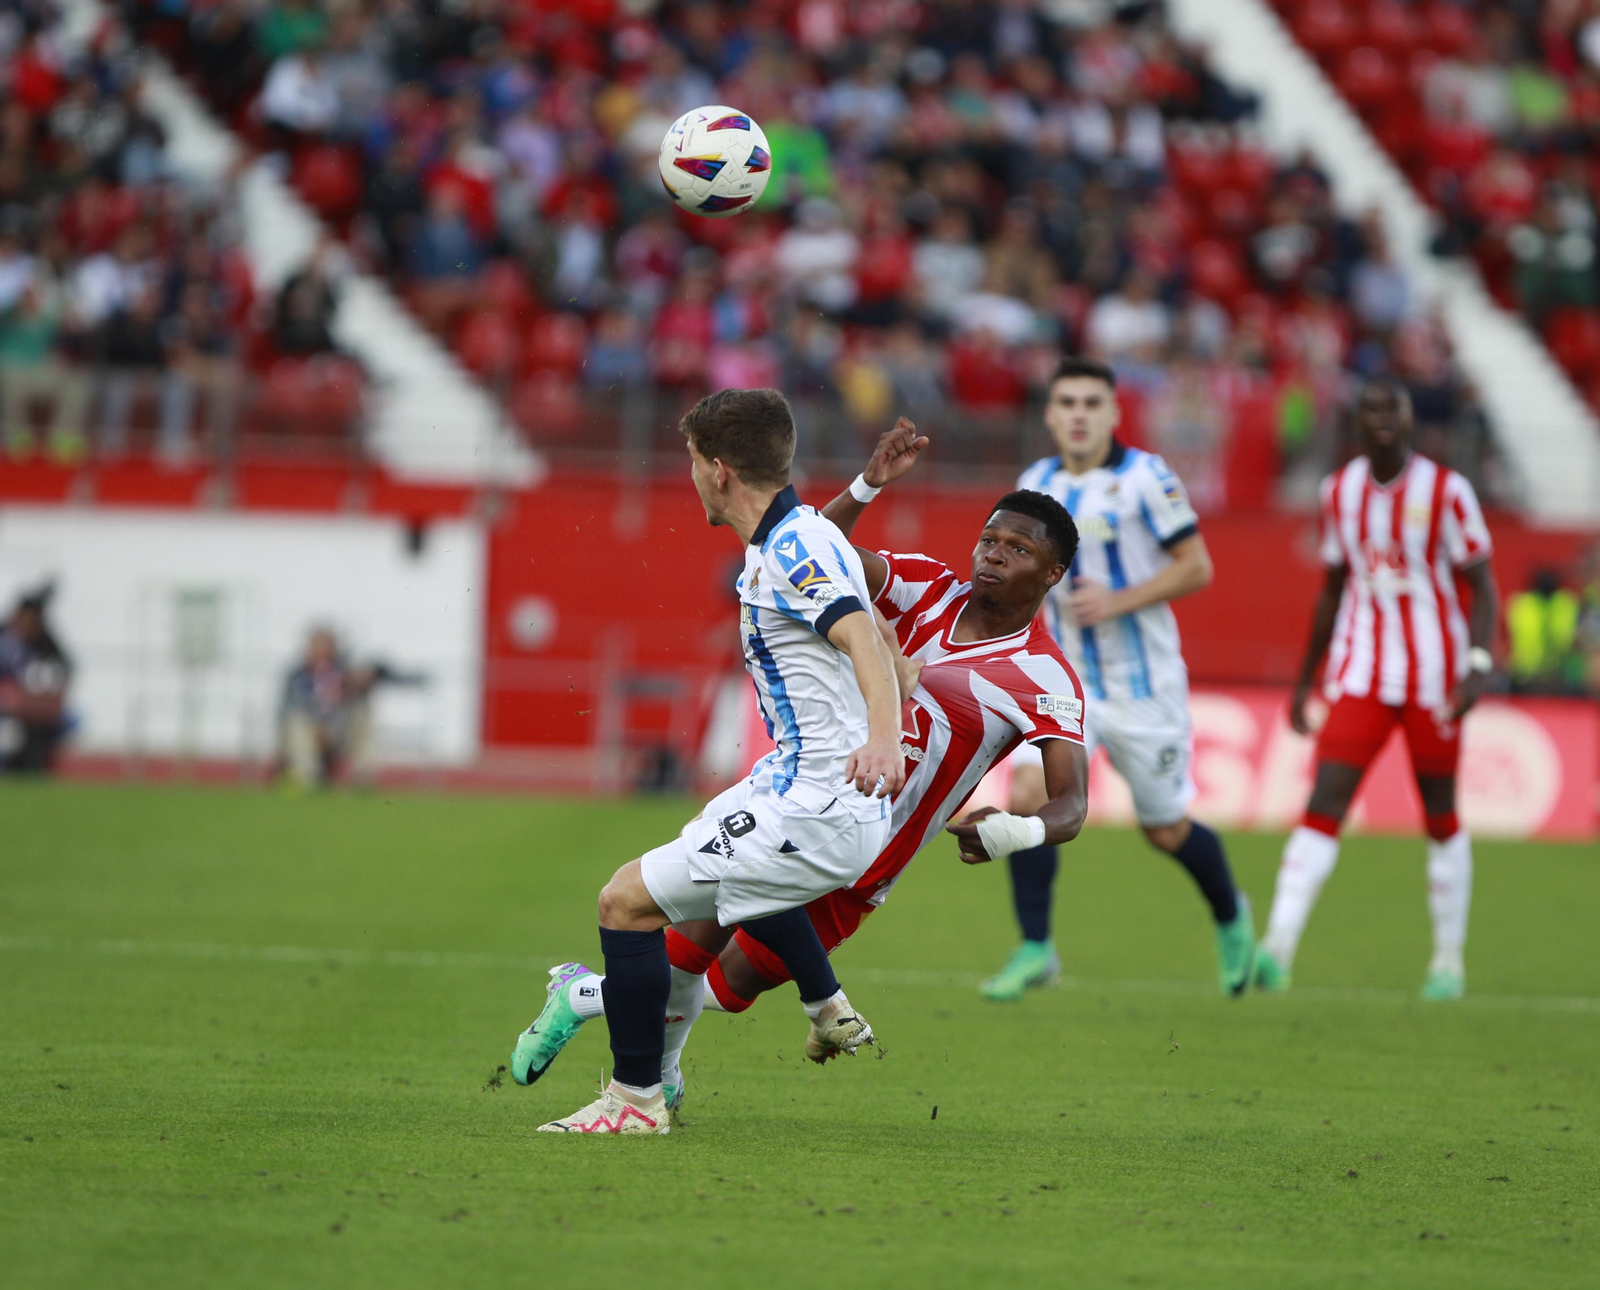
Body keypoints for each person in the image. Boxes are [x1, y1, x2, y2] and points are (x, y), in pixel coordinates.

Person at [511, 423, 1093, 1115]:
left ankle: (585, 998)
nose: (993, 557)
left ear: (1052, 574)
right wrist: (866, 486)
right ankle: (652, 1082)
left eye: (1017, 550)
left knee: (727, 989)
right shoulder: (925, 587)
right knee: (683, 957)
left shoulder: (1043, 676)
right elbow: (811, 551)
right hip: (809, 801)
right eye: (989, 540)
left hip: (870, 861)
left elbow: (1072, 805)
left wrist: (1015, 832)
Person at [525, 388, 908, 1135]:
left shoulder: (794, 547)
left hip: (821, 801)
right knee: (695, 919)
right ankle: (681, 1069)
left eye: (694, 460)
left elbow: (863, 636)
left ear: (721, 470)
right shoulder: (793, 538)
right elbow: (833, 584)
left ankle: (633, 1100)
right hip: (798, 790)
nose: (691, 474)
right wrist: (863, 488)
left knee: (623, 904)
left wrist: (886, 735)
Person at [985, 357, 1256, 1000]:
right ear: (1050, 415)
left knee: (1165, 829)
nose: (1079, 415)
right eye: (1067, 403)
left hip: (1144, 685)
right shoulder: (1036, 482)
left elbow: (1197, 566)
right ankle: (1035, 948)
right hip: (1067, 682)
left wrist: (1120, 598)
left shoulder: (1146, 479)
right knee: (1028, 796)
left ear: (1113, 413)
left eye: (1091, 403)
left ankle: (1231, 918)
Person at [1256, 380, 1500, 1001]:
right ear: (1357, 423)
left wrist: (1476, 662)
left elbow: (1484, 585)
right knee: (1322, 805)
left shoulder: (1448, 491)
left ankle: (1448, 962)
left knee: (1441, 816)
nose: (1384, 419)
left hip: (1434, 678)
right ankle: (1276, 951)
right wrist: (1306, 679)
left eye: (1393, 408)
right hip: (1362, 674)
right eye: (1372, 409)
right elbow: (1334, 588)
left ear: (1410, 418)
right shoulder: (1338, 491)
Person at [277, 627, 379, 789]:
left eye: (325, 646)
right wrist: (319, 726)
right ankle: (308, 778)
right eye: (316, 646)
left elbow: (361, 691)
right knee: (296, 720)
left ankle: (362, 777)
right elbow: (288, 708)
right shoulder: (297, 675)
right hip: (309, 733)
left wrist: (357, 683)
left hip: (339, 731)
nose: (321, 651)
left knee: (363, 712)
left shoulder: (345, 672)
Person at [0, 584, 73, 773]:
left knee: (60, 723)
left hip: (33, 709)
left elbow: (66, 668)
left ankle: (35, 769)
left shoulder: (43, 640)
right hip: (7, 708)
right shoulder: (5, 636)